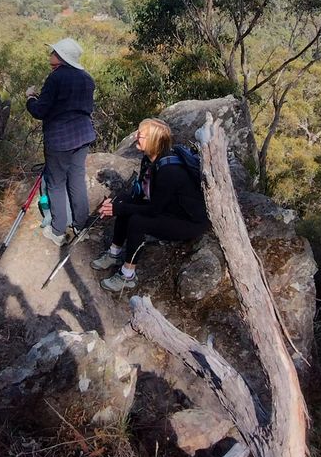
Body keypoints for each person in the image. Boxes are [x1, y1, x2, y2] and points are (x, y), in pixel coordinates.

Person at [92, 118, 209, 292]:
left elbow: (153, 210)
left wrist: (119, 209)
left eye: (141, 135)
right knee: (123, 202)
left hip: (189, 222)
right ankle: (114, 253)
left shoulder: (169, 171)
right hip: (170, 209)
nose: (136, 137)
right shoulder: (149, 160)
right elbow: (140, 194)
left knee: (138, 221)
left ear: (154, 140)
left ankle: (127, 275)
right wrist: (117, 203)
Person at [25, 38, 95, 246]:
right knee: (77, 179)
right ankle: (81, 226)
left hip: (60, 139)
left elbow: (40, 111)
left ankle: (57, 231)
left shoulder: (56, 78)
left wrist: (30, 98)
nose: (50, 55)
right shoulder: (87, 78)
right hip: (83, 135)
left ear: (62, 57)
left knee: (56, 184)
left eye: (53, 52)